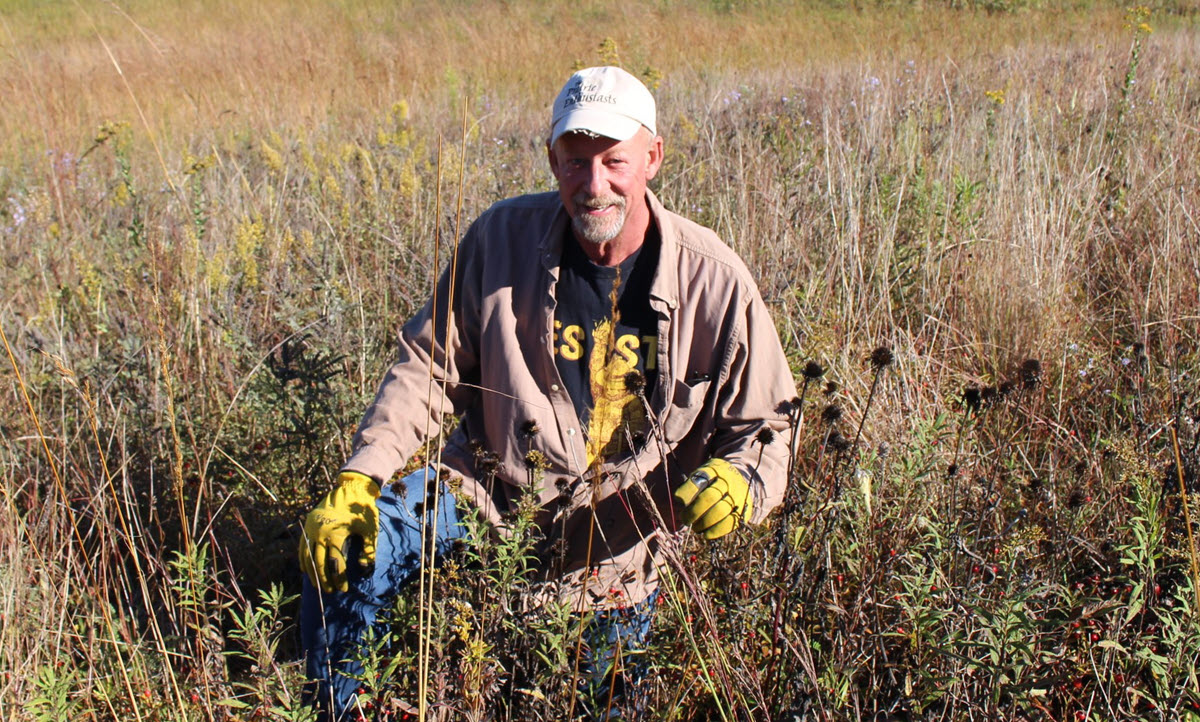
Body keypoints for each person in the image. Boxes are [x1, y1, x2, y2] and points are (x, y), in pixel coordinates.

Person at [298, 65, 798, 719]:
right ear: (551, 159)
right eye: (575, 161)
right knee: (346, 554)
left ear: (653, 157)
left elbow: (767, 427)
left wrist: (740, 486)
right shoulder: (499, 240)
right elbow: (427, 367)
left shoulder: (716, 282)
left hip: (619, 551)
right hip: (483, 496)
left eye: (614, 160)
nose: (595, 185)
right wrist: (360, 480)